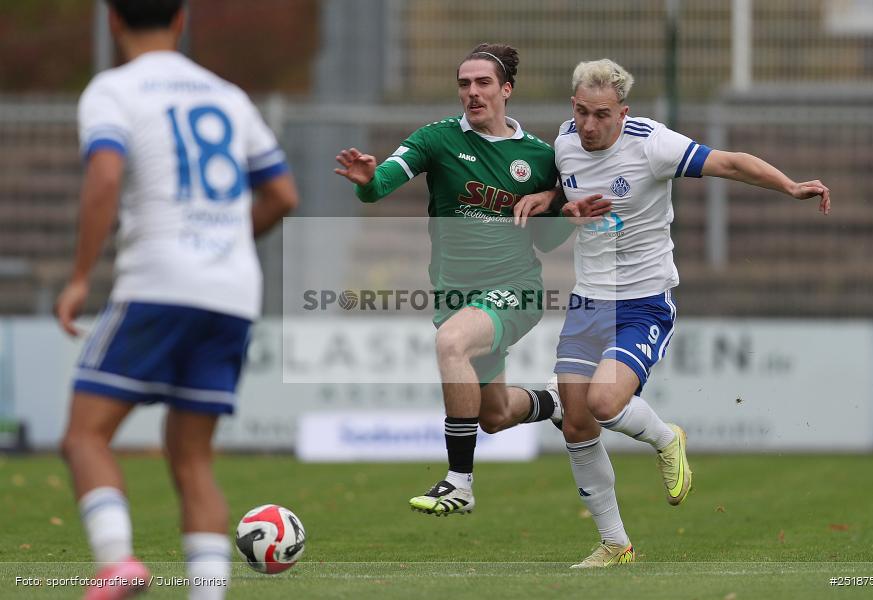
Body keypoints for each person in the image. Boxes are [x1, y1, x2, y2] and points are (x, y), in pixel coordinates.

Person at [515, 58, 830, 568]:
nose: (589, 125)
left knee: (602, 401)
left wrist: (790, 186)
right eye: (581, 112)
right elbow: (566, 191)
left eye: (601, 114)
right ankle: (616, 544)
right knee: (575, 423)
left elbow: (730, 163)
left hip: (643, 300)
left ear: (623, 112)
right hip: (589, 300)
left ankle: (667, 437)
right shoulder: (566, 138)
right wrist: (552, 199)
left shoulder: (652, 143)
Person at [55, 1, 299, 598]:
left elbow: (106, 177)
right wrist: (224, 239)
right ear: (181, 19)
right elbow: (283, 194)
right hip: (233, 292)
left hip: (159, 281)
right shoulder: (229, 96)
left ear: (113, 21)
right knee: (191, 458)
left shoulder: (113, 90)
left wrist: (81, 275)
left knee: (85, 437)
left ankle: (117, 562)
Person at [334, 43, 607, 516]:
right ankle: (556, 404)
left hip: (516, 290)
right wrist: (367, 179)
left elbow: (545, 241)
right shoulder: (436, 140)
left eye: (483, 83)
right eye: (464, 84)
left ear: (506, 89)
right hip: (456, 295)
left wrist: (563, 210)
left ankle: (459, 482)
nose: (472, 93)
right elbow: (381, 185)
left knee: (451, 346)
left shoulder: (539, 156)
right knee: (494, 415)